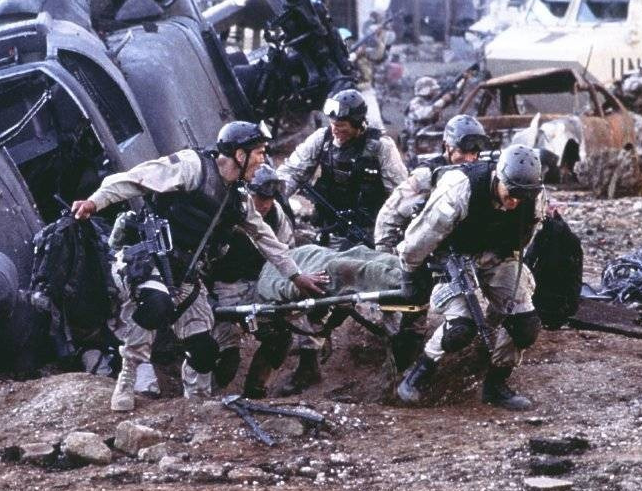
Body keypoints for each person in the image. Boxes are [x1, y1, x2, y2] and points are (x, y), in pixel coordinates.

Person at [72, 121, 326, 412]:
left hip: (185, 275)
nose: (262, 160)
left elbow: (265, 238)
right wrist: (95, 202)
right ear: (239, 155)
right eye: (258, 153)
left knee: (205, 353)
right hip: (149, 260)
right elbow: (135, 179)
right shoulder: (193, 167)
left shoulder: (238, 200)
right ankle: (127, 377)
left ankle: (195, 407)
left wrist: (296, 275)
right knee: (155, 305)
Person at [396, 144, 546, 410]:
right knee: (461, 329)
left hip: (497, 255)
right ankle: (419, 373)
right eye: (511, 193)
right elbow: (420, 237)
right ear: (498, 178)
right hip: (451, 257)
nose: (515, 202)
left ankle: (496, 385)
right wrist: (410, 273)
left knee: (524, 325)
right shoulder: (460, 188)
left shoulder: (533, 195)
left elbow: (526, 236)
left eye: (522, 197)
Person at [205, 165, 320, 399]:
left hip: (258, 285)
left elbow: (288, 255)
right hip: (222, 288)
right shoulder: (224, 211)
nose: (265, 204)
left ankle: (255, 392)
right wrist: (206, 297)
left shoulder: (276, 216)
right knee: (225, 358)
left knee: (279, 338)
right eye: (259, 197)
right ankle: (206, 400)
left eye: (270, 198)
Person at [278, 88, 408, 250]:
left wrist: (392, 233)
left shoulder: (382, 147)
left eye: (341, 126)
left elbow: (400, 193)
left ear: (358, 124)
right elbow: (292, 172)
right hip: (329, 227)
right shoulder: (322, 138)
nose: (334, 130)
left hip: (369, 232)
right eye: (332, 124)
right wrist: (274, 198)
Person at [376, 114, 491, 255]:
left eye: (474, 153)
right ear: (448, 147)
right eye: (462, 152)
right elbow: (390, 212)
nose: (469, 159)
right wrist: (385, 254)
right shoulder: (427, 175)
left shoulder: (482, 173)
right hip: (430, 251)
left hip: (468, 251)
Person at [612, 59, 642, 155]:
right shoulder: (634, 77)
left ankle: (640, 153)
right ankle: (638, 153)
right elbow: (629, 87)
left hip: (637, 112)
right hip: (624, 110)